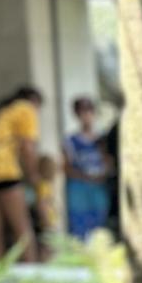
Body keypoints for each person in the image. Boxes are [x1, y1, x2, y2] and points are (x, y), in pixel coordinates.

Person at [0, 86, 42, 261]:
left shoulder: (2, 111)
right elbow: (28, 148)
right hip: (6, 173)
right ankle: (32, 277)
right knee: (22, 228)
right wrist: (33, 175)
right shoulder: (26, 109)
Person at [63, 96, 112, 240]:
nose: (86, 116)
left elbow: (108, 162)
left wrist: (103, 175)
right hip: (79, 190)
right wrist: (86, 177)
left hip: (99, 189)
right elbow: (66, 167)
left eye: (89, 111)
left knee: (100, 229)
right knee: (79, 229)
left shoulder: (103, 138)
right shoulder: (69, 141)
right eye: (82, 112)